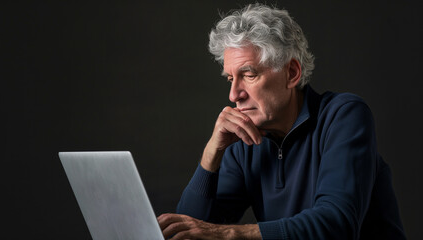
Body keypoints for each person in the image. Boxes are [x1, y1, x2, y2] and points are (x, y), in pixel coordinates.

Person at [158, 3, 406, 240]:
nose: (234, 95)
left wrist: (229, 234)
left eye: (249, 75)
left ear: (291, 73)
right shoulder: (243, 140)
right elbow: (187, 231)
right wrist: (212, 153)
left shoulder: (344, 116)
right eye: (230, 79)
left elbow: (336, 226)